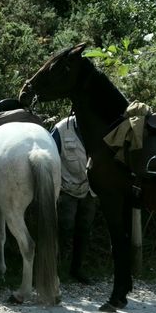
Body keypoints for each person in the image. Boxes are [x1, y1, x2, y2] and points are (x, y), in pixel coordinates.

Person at [51, 115, 97, 284]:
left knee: (84, 229)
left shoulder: (96, 126)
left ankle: (77, 269)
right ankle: (56, 268)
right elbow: (49, 156)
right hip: (66, 189)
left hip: (90, 189)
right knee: (64, 227)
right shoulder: (61, 129)